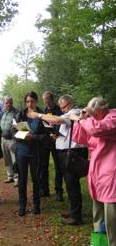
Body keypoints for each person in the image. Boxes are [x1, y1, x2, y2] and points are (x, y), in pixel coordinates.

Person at [70, 97, 116, 246]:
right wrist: (81, 120)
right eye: (93, 114)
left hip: (111, 172)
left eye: (96, 113)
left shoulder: (112, 118)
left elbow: (96, 130)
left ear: (104, 109)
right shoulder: (94, 120)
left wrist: (84, 119)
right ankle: (99, 244)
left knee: (111, 215)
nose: (94, 116)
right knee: (97, 210)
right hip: (97, 172)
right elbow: (81, 138)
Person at [29, 94, 88, 225]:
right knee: (70, 183)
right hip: (69, 151)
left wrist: (38, 115)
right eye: (61, 108)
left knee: (72, 184)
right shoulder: (70, 113)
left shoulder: (74, 113)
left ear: (70, 103)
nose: (62, 110)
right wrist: (58, 136)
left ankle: (76, 216)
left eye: (64, 107)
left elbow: (57, 120)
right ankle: (74, 210)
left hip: (72, 153)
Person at [14, 91, 46, 216]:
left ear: (36, 102)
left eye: (32, 101)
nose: (30, 104)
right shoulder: (20, 114)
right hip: (21, 151)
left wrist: (34, 137)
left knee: (36, 179)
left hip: (36, 152)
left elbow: (46, 135)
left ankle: (36, 205)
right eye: (27, 101)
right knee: (22, 180)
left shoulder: (42, 115)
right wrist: (21, 137)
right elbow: (13, 131)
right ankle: (22, 206)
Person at [40, 91, 64, 201]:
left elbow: (63, 124)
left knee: (58, 167)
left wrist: (56, 132)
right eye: (45, 102)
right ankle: (45, 190)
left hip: (57, 142)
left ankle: (59, 191)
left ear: (52, 100)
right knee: (43, 167)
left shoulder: (59, 110)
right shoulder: (44, 111)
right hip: (45, 142)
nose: (47, 104)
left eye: (48, 102)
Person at [0, 96, 18, 186]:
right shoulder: (3, 112)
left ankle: (17, 178)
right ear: (3, 104)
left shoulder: (16, 113)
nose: (8, 104)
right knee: (7, 159)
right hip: (3, 139)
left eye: (10, 102)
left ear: (12, 103)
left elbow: (18, 126)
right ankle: (10, 176)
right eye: (6, 103)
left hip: (12, 140)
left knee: (15, 160)